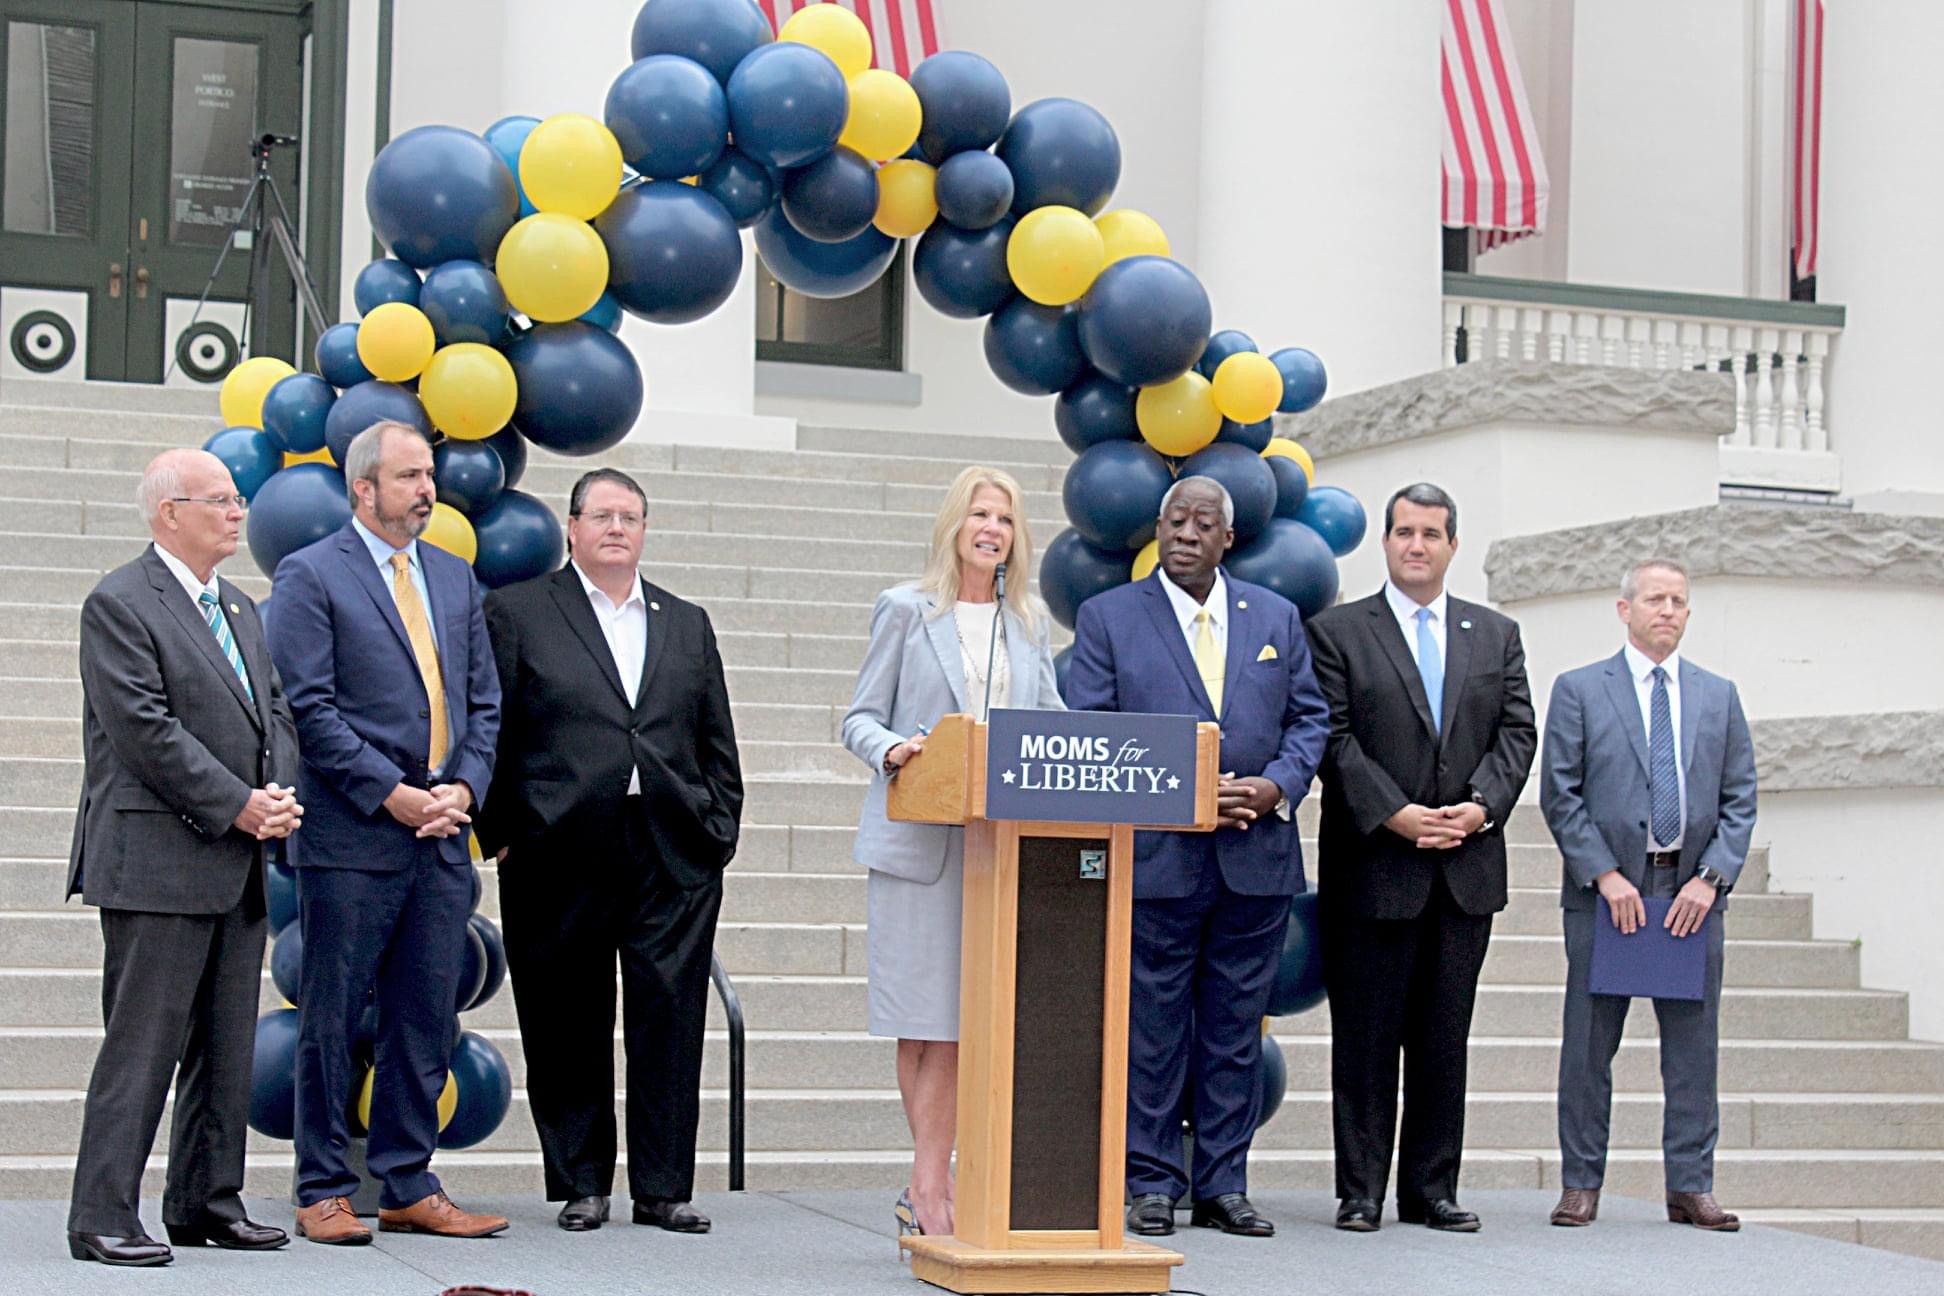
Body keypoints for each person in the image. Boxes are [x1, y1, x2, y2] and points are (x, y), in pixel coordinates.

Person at [478, 468, 743, 1235]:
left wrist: (717, 829)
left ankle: (662, 1188)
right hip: (557, 846)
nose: (617, 528)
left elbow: (715, 738)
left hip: (670, 847)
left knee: (671, 1019)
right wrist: (502, 832)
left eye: (630, 516)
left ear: (645, 530)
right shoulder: (520, 611)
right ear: (572, 527)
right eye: (601, 515)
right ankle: (583, 1181)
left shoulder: (685, 621)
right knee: (565, 1018)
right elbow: (493, 727)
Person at [1066, 476, 1329, 1240]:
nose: (1186, 532)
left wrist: (1276, 787)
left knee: (1235, 1031)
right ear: (1158, 529)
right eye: (1175, 520)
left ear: (1228, 539)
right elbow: (1093, 729)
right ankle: (1150, 1183)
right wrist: (1183, 789)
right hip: (1157, 861)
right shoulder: (1109, 617)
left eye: (1202, 523)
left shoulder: (1275, 616)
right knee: (1152, 1029)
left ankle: (1223, 1185)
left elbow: (1310, 720)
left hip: (1256, 858)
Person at [266, 421, 504, 1244]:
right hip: (353, 836)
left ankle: (408, 1182)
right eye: (409, 477)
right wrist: (392, 794)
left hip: (442, 835)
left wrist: (463, 787)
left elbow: (483, 703)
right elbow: (310, 709)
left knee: (425, 1016)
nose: (426, 489)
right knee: (331, 1018)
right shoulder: (311, 574)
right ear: (363, 488)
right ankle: (324, 1188)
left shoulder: (454, 575)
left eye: (428, 475)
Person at [64, 449, 302, 1267]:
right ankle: (102, 1214)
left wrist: (276, 794)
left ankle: (206, 1201)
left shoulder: (238, 607)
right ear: (170, 512)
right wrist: (239, 802)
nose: (238, 513)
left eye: (238, 500)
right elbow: (145, 731)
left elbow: (276, 712)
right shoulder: (121, 602)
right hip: (157, 862)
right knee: (143, 1048)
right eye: (221, 500)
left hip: (237, 860)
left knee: (224, 1048)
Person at [841, 466, 1065, 1241]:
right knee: (929, 1024)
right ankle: (932, 1186)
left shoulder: (1029, 624)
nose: (991, 529)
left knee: (972, 1025)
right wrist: (896, 750)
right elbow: (860, 718)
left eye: (1004, 518)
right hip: (919, 845)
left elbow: (1053, 726)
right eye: (979, 514)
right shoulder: (907, 609)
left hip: (998, 851)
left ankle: (932, 1183)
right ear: (954, 525)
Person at [1306, 482, 1535, 1233]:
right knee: (1366, 1038)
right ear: (1385, 541)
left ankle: (1431, 1189)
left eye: (1431, 534)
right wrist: (1396, 815)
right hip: (1374, 867)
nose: (1416, 545)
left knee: (1443, 1040)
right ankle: (1362, 1191)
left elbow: (1517, 733)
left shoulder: (1495, 634)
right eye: (1404, 531)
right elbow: (1333, 737)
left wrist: (1480, 806)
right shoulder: (1338, 632)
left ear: (1452, 546)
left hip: (1464, 871)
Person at [1541, 559, 1757, 1232]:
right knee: (1588, 1049)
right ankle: (1581, 1183)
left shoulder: (1718, 696)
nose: (1668, 610)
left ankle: (1691, 1186)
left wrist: (1710, 878)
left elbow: (1741, 799)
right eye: (1655, 599)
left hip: (1690, 894)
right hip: (1607, 895)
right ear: (1624, 609)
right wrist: (1604, 874)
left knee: (1693, 1051)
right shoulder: (1580, 690)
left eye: (1679, 601)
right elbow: (1560, 793)